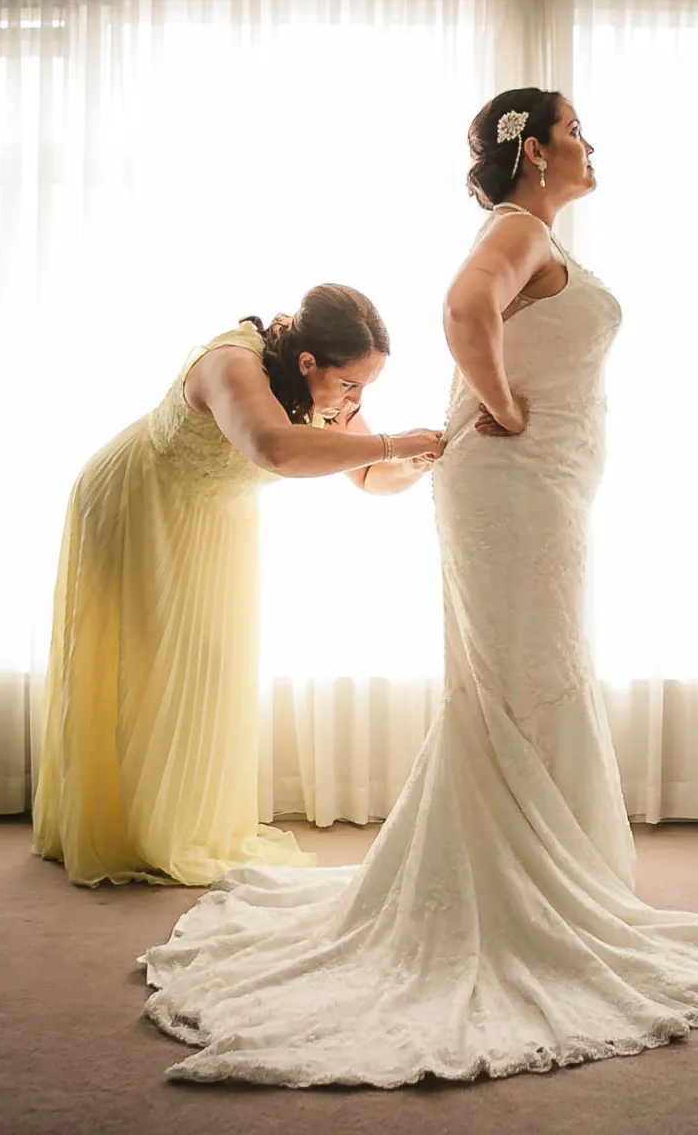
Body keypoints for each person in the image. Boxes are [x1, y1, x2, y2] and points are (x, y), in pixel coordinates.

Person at [139, 90, 698, 1085]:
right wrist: (505, 405)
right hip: (512, 491)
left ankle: (554, 885)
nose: (590, 143)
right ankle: (527, 903)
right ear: (534, 152)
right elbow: (464, 313)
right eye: (576, 130)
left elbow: (499, 325)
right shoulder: (514, 228)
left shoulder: (531, 233)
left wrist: (513, 416)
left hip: (536, 491)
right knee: (527, 674)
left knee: (532, 671)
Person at [33, 284, 444, 887]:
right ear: (307, 363)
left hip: (214, 521)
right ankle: (122, 828)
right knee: (140, 666)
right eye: (351, 385)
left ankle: (181, 826)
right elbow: (273, 447)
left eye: (366, 388)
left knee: (207, 670)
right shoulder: (232, 363)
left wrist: (409, 464)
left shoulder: (331, 389)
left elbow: (366, 475)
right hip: (137, 504)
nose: (356, 399)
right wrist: (392, 441)